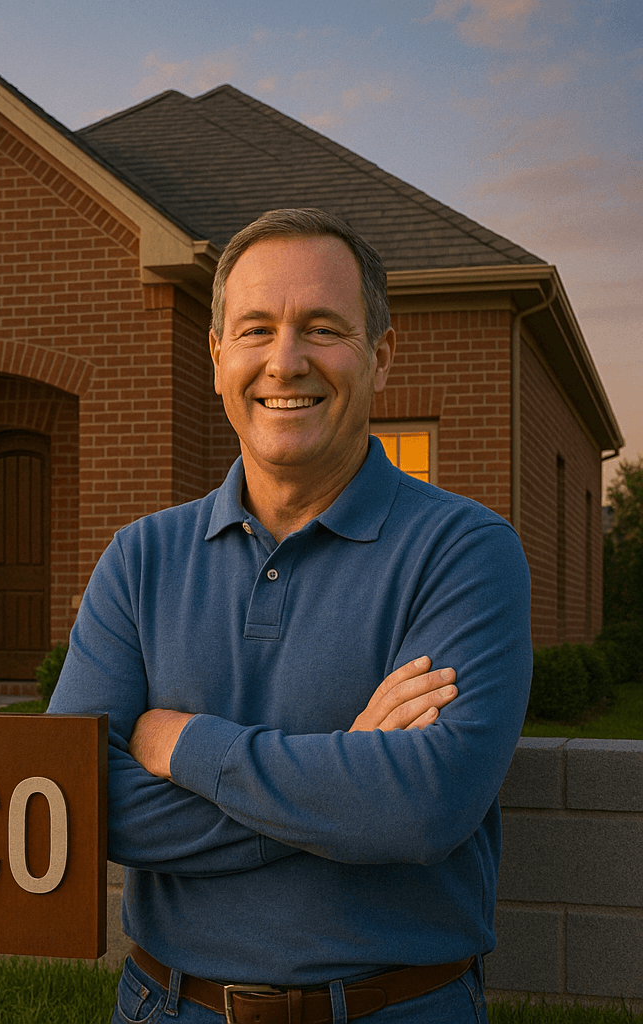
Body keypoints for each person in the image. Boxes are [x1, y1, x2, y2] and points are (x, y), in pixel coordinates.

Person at [48, 209, 532, 1023]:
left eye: (322, 328)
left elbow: (425, 808)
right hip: (168, 1006)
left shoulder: (465, 551)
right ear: (216, 358)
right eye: (257, 329)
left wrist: (184, 743)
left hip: (398, 1009)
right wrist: (346, 780)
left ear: (379, 356)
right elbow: (74, 798)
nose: (285, 361)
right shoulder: (140, 560)